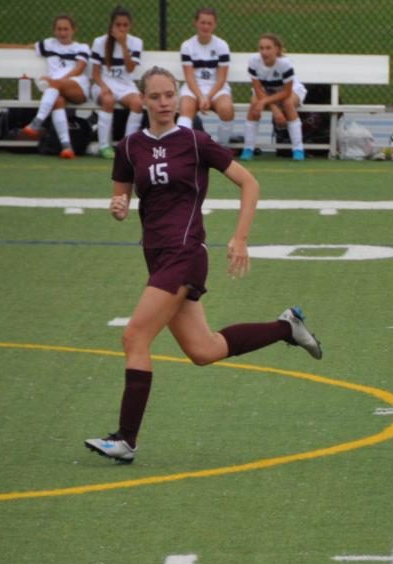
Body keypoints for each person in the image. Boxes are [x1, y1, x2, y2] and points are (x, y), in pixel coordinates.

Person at [84, 67, 324, 465]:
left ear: (177, 98)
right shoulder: (129, 148)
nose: (163, 102)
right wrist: (118, 207)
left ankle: (125, 440)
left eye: (169, 95)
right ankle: (288, 327)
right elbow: (121, 202)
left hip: (185, 253)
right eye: (156, 96)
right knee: (203, 350)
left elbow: (250, 183)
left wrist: (240, 238)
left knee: (134, 337)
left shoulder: (194, 142)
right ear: (142, 100)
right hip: (157, 255)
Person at [19, 14, 91, 159]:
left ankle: (36, 123)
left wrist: (57, 81)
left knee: (52, 86)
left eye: (66, 29)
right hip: (56, 89)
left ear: (73, 30)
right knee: (57, 101)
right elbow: (24, 47)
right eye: (59, 29)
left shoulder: (81, 47)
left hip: (77, 87)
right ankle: (66, 147)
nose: (62, 33)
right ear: (54, 30)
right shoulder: (48, 44)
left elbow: (80, 68)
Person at [87, 6, 144, 159]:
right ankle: (104, 146)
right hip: (103, 83)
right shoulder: (99, 42)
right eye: (118, 25)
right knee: (108, 100)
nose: (121, 28)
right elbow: (95, 74)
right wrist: (104, 87)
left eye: (125, 25)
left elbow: (131, 69)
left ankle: (126, 146)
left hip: (125, 85)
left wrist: (124, 45)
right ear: (112, 25)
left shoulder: (136, 42)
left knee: (138, 103)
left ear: (130, 26)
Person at [244, 33, 307, 161]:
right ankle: (248, 148)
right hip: (265, 91)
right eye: (261, 48)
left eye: (268, 48)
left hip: (288, 91)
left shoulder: (285, 64)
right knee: (254, 104)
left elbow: (286, 93)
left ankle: (298, 149)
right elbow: (258, 88)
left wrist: (267, 103)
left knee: (288, 103)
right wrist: (275, 110)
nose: (264, 52)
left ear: (277, 49)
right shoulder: (253, 61)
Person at [178, 7, 235, 146]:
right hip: (193, 87)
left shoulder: (222, 45)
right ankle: (180, 147)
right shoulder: (187, 46)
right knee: (185, 109)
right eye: (202, 22)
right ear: (196, 23)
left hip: (216, 87)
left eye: (209, 23)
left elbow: (221, 78)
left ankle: (222, 148)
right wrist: (200, 97)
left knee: (227, 110)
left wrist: (208, 97)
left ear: (214, 25)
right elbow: (190, 77)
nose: (206, 26)